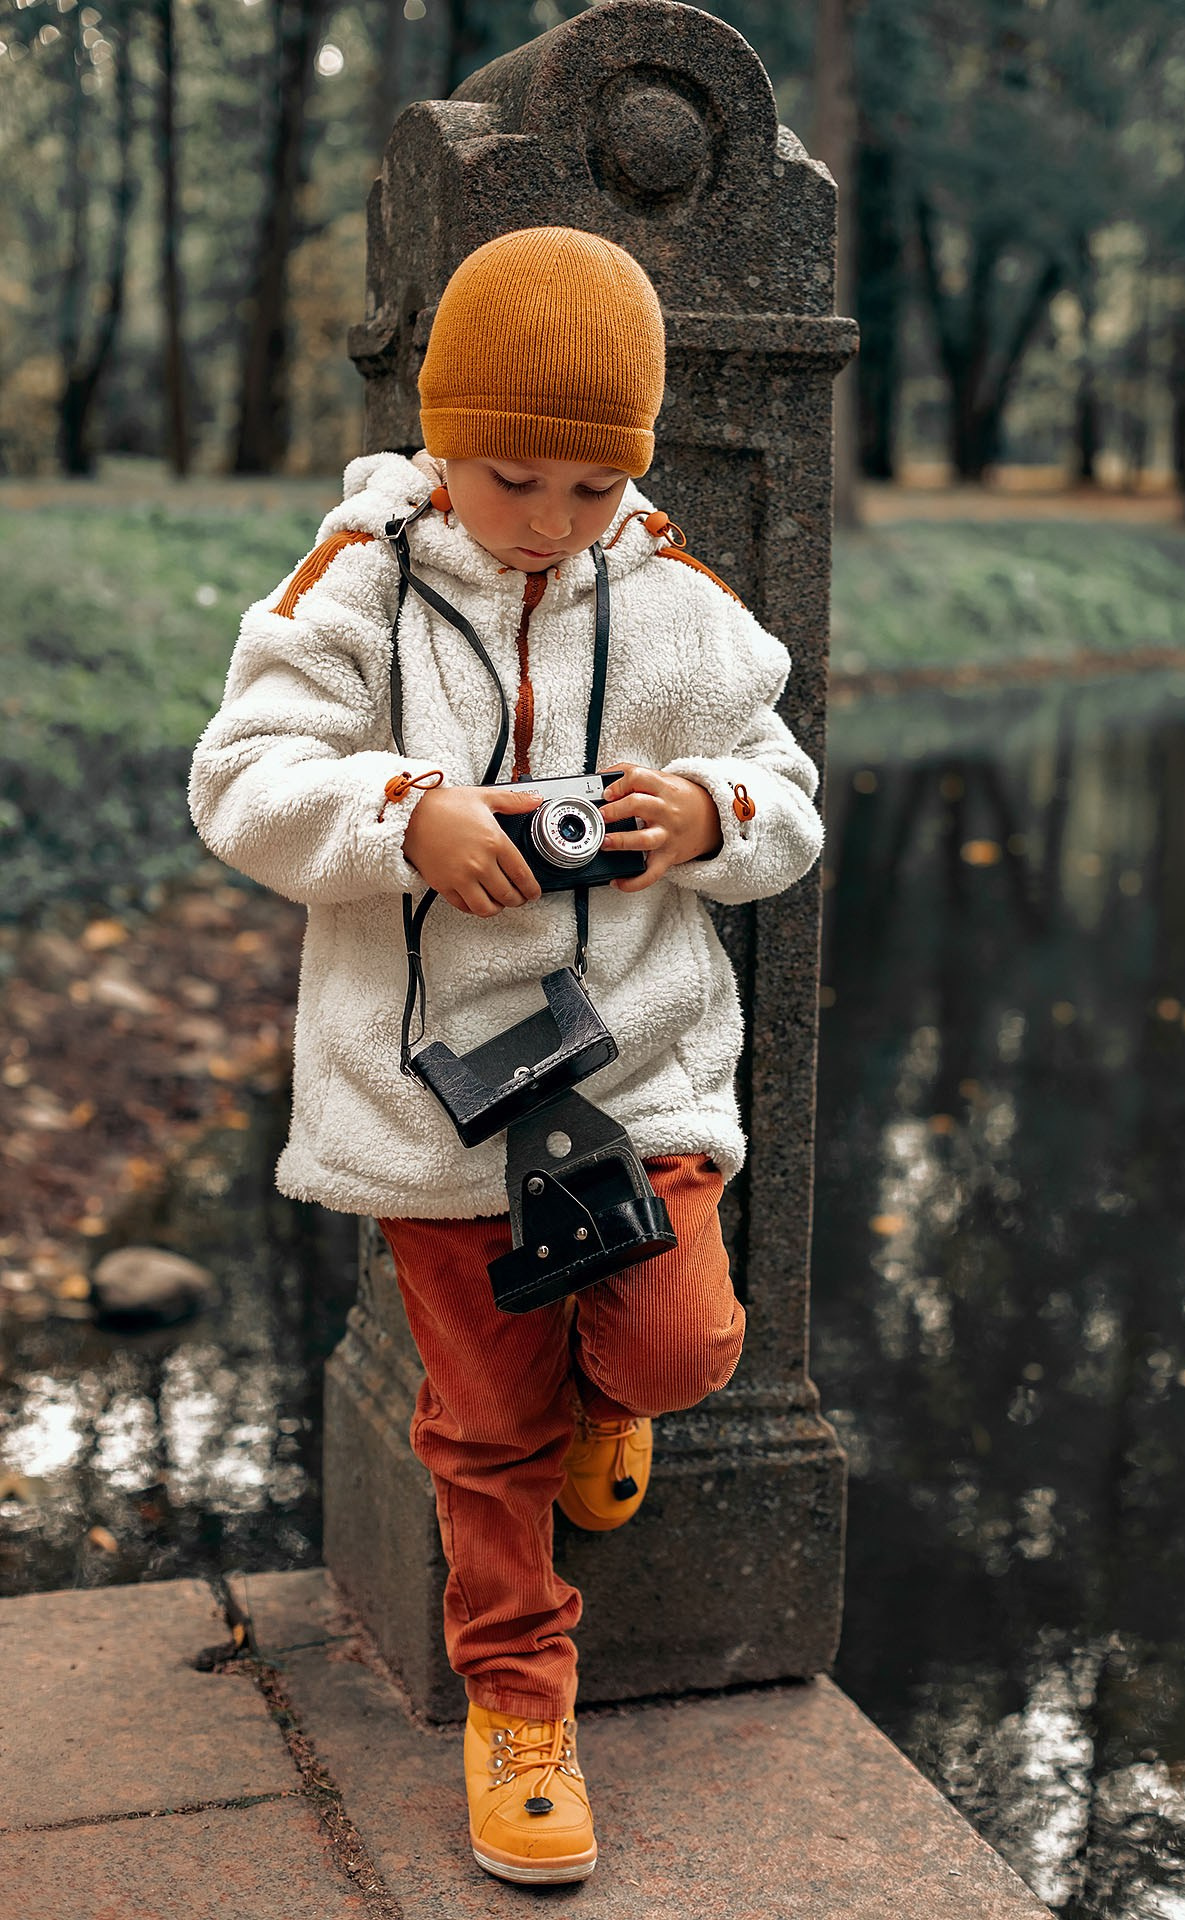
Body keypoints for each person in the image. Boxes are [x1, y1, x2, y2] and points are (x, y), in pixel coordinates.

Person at [188, 225, 823, 1887]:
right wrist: (403, 816)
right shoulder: (358, 582)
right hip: (438, 1096)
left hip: (634, 1065)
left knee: (682, 1346)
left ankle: (614, 1397)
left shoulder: (677, 600)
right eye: (509, 479)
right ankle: (518, 1703)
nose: (547, 521)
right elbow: (238, 781)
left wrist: (712, 813)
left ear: (638, 468)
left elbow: (790, 797)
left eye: (591, 488)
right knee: (483, 1429)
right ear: (441, 437)